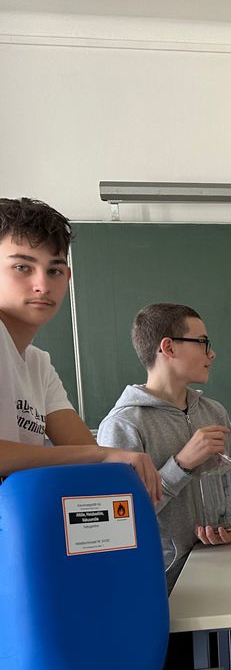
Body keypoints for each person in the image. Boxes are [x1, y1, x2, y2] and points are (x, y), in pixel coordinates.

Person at [0, 197, 159, 500]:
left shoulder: (38, 363)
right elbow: (92, 454)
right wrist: (99, 455)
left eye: (54, 271)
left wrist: (102, 457)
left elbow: (82, 449)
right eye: (22, 267)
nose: (42, 285)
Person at [97, 303, 231, 595]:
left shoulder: (213, 412)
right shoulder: (123, 425)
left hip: (222, 571)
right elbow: (119, 521)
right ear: (168, 347)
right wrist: (181, 465)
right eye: (202, 342)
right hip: (161, 585)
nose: (212, 354)